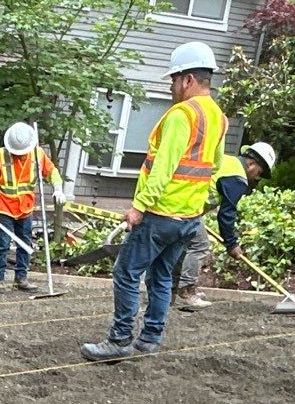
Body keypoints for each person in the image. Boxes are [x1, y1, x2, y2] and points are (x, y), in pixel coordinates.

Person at [80, 42, 228, 361]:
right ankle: (149, 340)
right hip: (189, 217)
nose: (172, 87)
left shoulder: (182, 115)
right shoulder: (219, 118)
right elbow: (213, 165)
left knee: (126, 272)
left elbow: (164, 166)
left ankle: (119, 341)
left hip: (160, 214)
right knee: (161, 276)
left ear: (187, 80)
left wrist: (139, 207)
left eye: (173, 80)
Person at [174, 140, 277, 310]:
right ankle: (186, 290)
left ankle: (174, 288)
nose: (257, 177)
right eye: (259, 172)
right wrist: (232, 244)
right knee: (200, 245)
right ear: (251, 164)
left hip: (183, 202)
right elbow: (226, 214)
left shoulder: (228, 162)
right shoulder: (238, 178)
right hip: (187, 208)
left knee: (183, 246)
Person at [0, 122, 66, 292]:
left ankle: (21, 279)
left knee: (25, 243)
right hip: (4, 207)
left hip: (25, 208)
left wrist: (58, 188)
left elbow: (52, 171)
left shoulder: (37, 155)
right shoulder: (0, 155)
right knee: (3, 243)